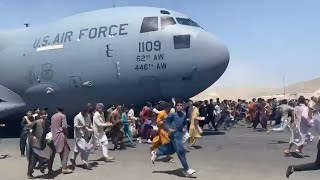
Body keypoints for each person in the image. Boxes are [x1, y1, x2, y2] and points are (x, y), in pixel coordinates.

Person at [151, 99, 196, 177]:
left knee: (170, 150)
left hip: (180, 135)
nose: (179, 107)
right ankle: (186, 169)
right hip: (174, 135)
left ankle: (156, 154)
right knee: (181, 152)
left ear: (183, 106)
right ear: (175, 107)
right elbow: (165, 123)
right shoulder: (172, 115)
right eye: (178, 105)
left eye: (180, 105)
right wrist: (169, 129)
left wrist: (185, 128)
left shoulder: (184, 115)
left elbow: (185, 123)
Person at [26, 111, 54, 178]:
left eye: (46, 114)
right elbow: (27, 128)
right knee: (33, 159)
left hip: (43, 142)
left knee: (47, 156)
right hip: (35, 143)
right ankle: (29, 172)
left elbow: (47, 131)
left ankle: (43, 167)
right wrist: (33, 137)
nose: (46, 115)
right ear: (40, 115)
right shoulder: (36, 122)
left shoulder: (47, 122)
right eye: (44, 114)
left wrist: (49, 136)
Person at [51, 107, 73, 174]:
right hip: (60, 135)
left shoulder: (53, 116)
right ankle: (64, 168)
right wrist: (66, 134)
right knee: (66, 151)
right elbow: (64, 127)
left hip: (54, 135)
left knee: (54, 153)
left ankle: (49, 169)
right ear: (63, 110)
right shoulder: (63, 116)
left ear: (57, 110)